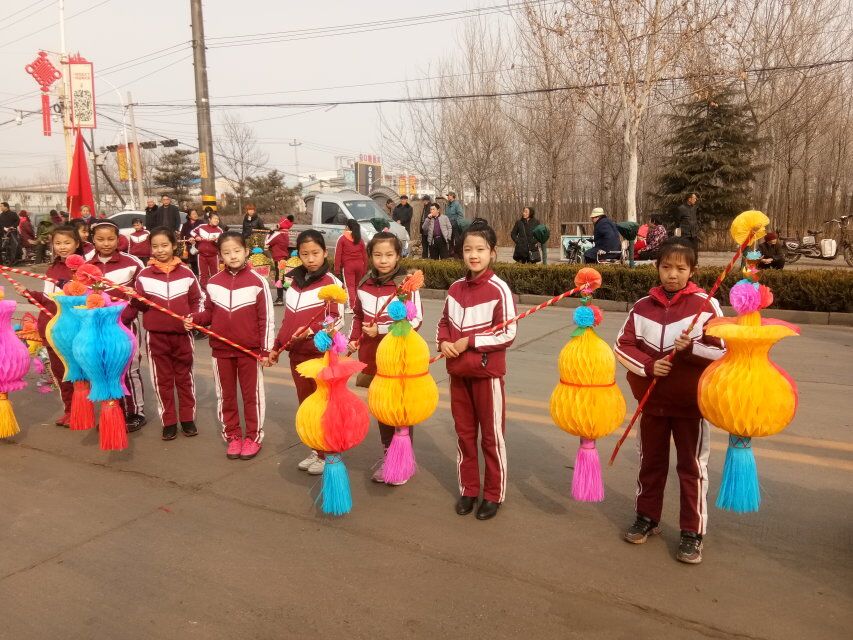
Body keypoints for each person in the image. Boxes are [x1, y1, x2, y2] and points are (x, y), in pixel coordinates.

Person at [614, 238, 725, 564]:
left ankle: (692, 532)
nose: (672, 274)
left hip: (691, 407)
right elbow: (622, 346)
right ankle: (647, 517)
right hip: (652, 403)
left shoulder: (706, 307)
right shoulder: (642, 307)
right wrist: (649, 366)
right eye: (666, 267)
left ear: (692, 271)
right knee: (650, 463)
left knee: (691, 468)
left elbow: (723, 352)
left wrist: (691, 349)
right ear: (657, 268)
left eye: (680, 268)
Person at [436, 219, 517, 521]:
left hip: (487, 376)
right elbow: (444, 322)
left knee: (491, 438)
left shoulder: (499, 289)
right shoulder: (455, 288)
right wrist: (444, 342)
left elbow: (508, 333)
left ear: (492, 252)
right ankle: (469, 489)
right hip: (458, 374)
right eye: (468, 249)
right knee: (464, 435)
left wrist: (469, 341)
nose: (474, 255)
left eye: (480, 249)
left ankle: (493, 494)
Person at [188, 231, 274, 460]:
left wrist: (266, 350)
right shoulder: (213, 283)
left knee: (252, 396)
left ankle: (253, 437)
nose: (233, 256)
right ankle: (233, 436)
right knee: (226, 395)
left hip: (249, 351)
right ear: (220, 255)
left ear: (246, 251)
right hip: (221, 350)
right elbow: (208, 313)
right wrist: (194, 319)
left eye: (237, 251)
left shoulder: (258, 282)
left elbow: (266, 318)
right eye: (227, 253)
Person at [348, 232, 423, 484]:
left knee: (399, 411)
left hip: (399, 358)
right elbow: (358, 316)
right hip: (372, 357)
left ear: (398, 256)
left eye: (389, 255)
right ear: (370, 256)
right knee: (382, 409)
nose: (383, 260)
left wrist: (380, 329)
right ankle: (388, 457)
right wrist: (354, 338)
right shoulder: (364, 284)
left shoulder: (406, 284)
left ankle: (402, 463)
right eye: (378, 255)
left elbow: (415, 320)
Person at [268, 230, 344, 476]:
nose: (310, 259)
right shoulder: (293, 283)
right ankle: (315, 448)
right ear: (298, 255)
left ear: (324, 253)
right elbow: (288, 321)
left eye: (315, 253)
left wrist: (312, 331)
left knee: (324, 405)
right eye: (305, 254)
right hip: (296, 357)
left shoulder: (332, 283)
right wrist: (276, 347)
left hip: (320, 355)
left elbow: (337, 320)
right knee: (307, 405)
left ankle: (328, 452)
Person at [135, 227, 204, 440]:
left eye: (164, 245)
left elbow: (197, 300)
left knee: (184, 378)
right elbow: (138, 305)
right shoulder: (144, 275)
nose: (160, 250)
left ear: (174, 245)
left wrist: (194, 318)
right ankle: (169, 421)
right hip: (156, 336)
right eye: (155, 246)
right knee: (162, 380)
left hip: (182, 335)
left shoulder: (187, 273)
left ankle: (187, 418)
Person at [87, 220, 147, 432]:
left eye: (111, 239)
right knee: (103, 367)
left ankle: (135, 412)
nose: (106, 243)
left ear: (118, 239)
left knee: (129, 368)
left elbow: (142, 293)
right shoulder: (86, 265)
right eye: (100, 239)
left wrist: (129, 313)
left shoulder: (132, 262)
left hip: (125, 325)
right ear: (93, 240)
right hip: (96, 326)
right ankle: (112, 410)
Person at [23, 224, 85, 426]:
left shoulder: (84, 269)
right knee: (60, 371)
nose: (62, 247)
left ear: (77, 243)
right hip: (52, 327)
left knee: (78, 372)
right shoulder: (52, 269)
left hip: (74, 329)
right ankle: (70, 409)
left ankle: (83, 411)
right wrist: (30, 295)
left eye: (67, 242)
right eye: (58, 243)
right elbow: (48, 299)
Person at [334, 219, 368, 311]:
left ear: (348, 227)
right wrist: (365, 269)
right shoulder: (360, 239)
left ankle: (352, 307)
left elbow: (338, 255)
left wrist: (337, 269)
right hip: (360, 265)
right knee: (357, 286)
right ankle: (359, 306)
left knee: (350, 287)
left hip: (348, 266)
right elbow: (365, 256)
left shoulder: (342, 238)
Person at [264, 215, 293, 306]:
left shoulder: (278, 234)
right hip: (283, 258)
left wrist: (270, 233)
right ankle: (285, 296)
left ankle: (285, 297)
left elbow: (267, 242)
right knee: (281, 278)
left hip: (278, 259)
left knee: (280, 279)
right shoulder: (286, 234)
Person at [190, 211, 224, 289]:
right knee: (202, 274)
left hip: (213, 256)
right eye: (215, 219)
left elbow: (221, 243)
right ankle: (202, 288)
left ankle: (215, 287)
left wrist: (215, 241)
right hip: (201, 255)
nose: (217, 220)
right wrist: (196, 236)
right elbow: (192, 232)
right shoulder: (202, 226)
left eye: (218, 219)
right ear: (209, 219)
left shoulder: (220, 230)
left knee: (215, 273)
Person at [180, 208, 203, 274]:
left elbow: (203, 233)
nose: (195, 215)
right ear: (189, 216)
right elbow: (182, 235)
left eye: (196, 213)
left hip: (199, 245)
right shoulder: (185, 225)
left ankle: (200, 274)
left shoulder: (201, 223)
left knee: (199, 262)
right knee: (193, 263)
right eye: (193, 214)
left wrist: (196, 238)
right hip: (190, 245)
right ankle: (195, 275)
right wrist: (189, 239)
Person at [1, 201, 20, 265]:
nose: (0, 208)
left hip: (12, 233)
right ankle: (6, 260)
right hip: (4, 234)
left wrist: (13, 226)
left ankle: (13, 260)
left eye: (1, 206)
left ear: (6, 207)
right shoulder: (1, 215)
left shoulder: (13, 214)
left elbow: (18, 221)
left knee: (13, 246)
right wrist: (3, 228)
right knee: (4, 247)